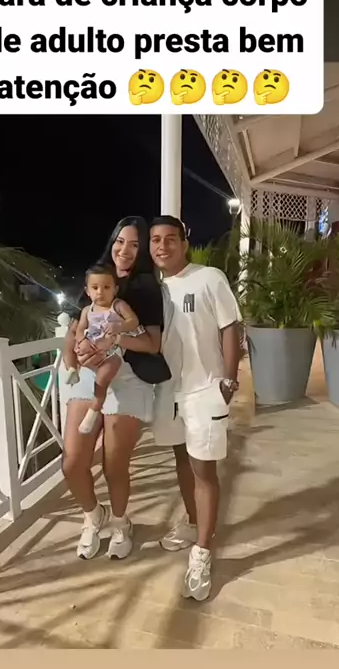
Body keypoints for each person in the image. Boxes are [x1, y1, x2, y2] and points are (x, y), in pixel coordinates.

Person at [62, 216, 170, 561]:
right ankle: (94, 516)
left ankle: (122, 523)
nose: (125, 250)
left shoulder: (146, 288)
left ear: (142, 251)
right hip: (89, 374)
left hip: (128, 376)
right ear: (112, 242)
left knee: (114, 465)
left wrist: (115, 339)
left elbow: (152, 344)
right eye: (120, 241)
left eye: (135, 244)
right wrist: (73, 357)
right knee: (72, 463)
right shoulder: (97, 279)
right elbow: (75, 329)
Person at [150, 215, 241, 602]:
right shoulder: (155, 290)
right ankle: (191, 523)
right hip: (169, 392)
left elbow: (230, 326)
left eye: (170, 239)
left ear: (184, 243)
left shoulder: (209, 278)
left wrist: (229, 381)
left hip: (205, 389)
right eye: (155, 240)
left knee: (204, 469)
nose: (163, 246)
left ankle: (202, 550)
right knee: (182, 460)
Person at [66, 263, 140, 434]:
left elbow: (133, 321)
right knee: (77, 350)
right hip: (92, 346)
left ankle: (94, 408)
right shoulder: (87, 310)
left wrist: (120, 326)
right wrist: (82, 340)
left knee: (103, 378)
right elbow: (79, 329)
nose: (100, 292)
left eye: (106, 287)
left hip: (112, 352)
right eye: (95, 287)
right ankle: (72, 370)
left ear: (115, 289)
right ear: (87, 291)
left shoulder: (118, 305)